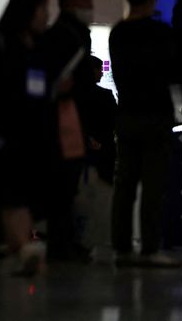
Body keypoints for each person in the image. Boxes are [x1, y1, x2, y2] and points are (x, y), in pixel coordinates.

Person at [0, 0, 52, 276]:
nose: (46, 17)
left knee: (20, 190)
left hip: (30, 130)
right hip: (0, 129)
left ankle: (19, 247)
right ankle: (20, 247)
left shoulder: (38, 44)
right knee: (11, 189)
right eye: (42, 10)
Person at [108, 0, 180, 268]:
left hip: (126, 115)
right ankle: (149, 248)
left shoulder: (118, 33)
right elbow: (174, 72)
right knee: (154, 185)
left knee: (125, 183)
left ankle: (122, 247)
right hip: (157, 116)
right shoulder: (161, 32)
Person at [40, 0, 95, 262]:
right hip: (64, 121)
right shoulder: (67, 37)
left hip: (66, 118)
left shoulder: (63, 34)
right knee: (63, 185)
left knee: (65, 185)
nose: (91, 6)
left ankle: (63, 242)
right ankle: (62, 244)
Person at [75, 56, 117, 261]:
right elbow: (113, 124)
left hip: (80, 152)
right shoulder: (106, 96)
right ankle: (97, 238)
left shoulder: (74, 98)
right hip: (104, 154)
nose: (101, 73)